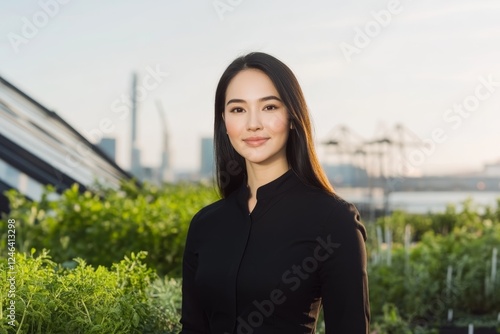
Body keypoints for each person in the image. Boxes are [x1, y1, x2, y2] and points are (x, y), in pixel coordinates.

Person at [180, 52, 370, 333]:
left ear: (292, 116)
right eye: (238, 110)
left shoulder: (334, 220)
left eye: (269, 107)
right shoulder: (205, 224)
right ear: (224, 122)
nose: (253, 124)